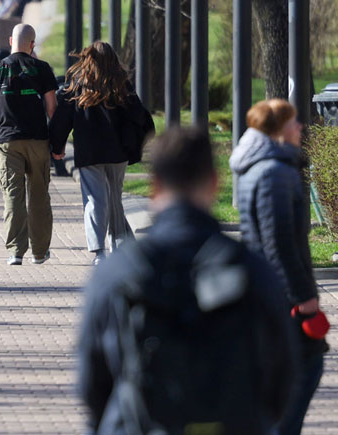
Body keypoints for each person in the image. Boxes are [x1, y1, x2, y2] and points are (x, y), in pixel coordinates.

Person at [79, 127, 296, 433]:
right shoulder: (252, 270)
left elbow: (92, 379)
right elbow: (283, 369)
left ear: (155, 186)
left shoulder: (118, 271)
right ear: (214, 183)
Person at [230, 100, 329, 435]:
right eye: (294, 122)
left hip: (267, 293)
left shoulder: (258, 166)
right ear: (278, 129)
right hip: (283, 298)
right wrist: (304, 299)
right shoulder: (274, 172)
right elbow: (279, 244)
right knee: (305, 369)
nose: (300, 127)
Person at [49, 41, 148, 265]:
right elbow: (139, 115)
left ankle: (98, 251)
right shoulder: (122, 85)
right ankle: (119, 245)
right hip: (117, 152)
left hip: (89, 153)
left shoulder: (77, 84)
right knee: (115, 198)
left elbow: (63, 118)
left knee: (95, 200)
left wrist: (57, 146)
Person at [0, 24, 57, 265]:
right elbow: (52, 108)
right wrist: (57, 143)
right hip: (38, 140)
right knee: (39, 196)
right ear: (33, 44)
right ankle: (40, 252)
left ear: (10, 41)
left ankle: (16, 251)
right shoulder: (41, 69)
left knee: (13, 195)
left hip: (7, 142)